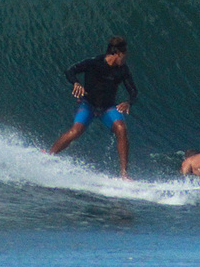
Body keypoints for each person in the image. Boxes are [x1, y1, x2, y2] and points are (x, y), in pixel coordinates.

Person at [49, 36, 138, 179]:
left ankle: (124, 173)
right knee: (75, 131)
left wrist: (128, 102)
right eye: (125, 55)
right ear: (117, 53)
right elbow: (70, 70)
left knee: (121, 129)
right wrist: (76, 83)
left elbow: (133, 92)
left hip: (108, 108)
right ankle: (49, 155)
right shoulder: (94, 62)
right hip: (88, 105)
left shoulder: (122, 70)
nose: (126, 59)